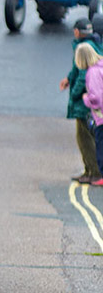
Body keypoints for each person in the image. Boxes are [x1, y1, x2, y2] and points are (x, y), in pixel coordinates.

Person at [61, 20, 103, 183]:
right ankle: (91, 169)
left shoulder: (84, 50)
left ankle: (93, 171)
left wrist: (77, 96)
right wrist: (68, 78)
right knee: (91, 136)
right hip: (94, 109)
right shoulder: (93, 45)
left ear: (78, 32)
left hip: (88, 106)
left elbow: (81, 76)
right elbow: (76, 71)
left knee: (84, 137)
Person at [80, 42, 103, 186]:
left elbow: (97, 98)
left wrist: (85, 99)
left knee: (100, 145)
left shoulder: (92, 72)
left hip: (101, 117)